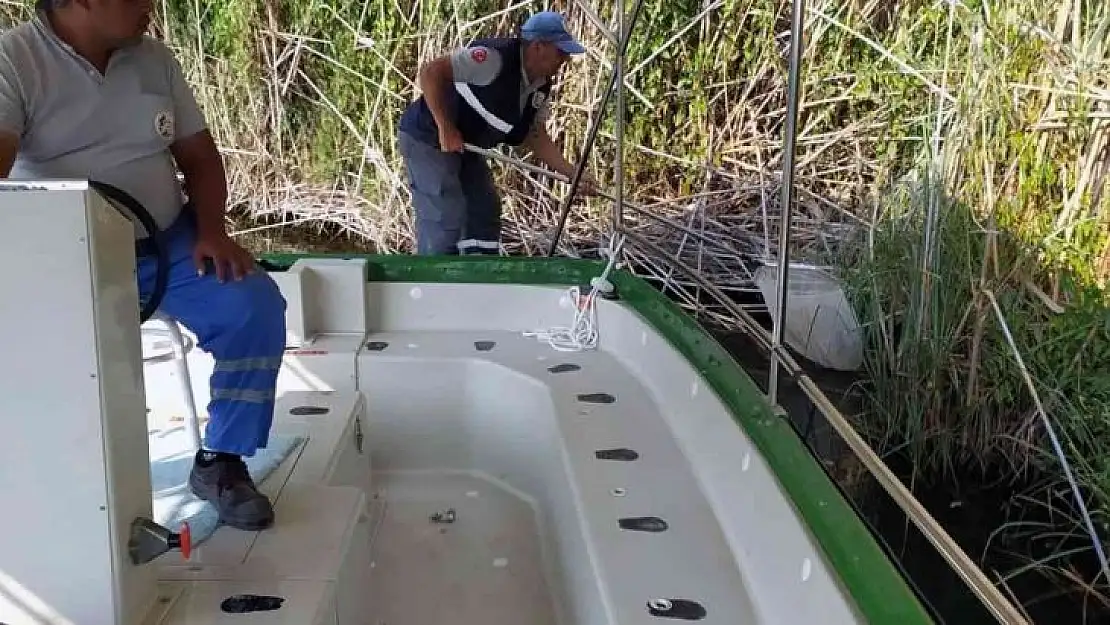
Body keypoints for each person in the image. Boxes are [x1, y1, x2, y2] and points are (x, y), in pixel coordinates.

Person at [0, 0, 286, 531]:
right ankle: (55, 484)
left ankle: (222, 459)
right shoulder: (12, 59)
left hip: (167, 242)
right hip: (62, 256)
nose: (151, 6)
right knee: (54, 353)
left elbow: (199, 157)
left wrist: (212, 232)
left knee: (253, 305)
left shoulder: (153, 58)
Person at [398, 10, 600, 256]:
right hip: (428, 137)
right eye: (561, 51)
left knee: (485, 210)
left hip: (467, 147)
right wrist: (446, 127)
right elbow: (432, 72)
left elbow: (533, 135)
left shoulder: (540, 86)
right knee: (446, 215)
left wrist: (572, 173)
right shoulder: (492, 59)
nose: (565, 59)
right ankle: (434, 279)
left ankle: (479, 273)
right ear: (538, 47)